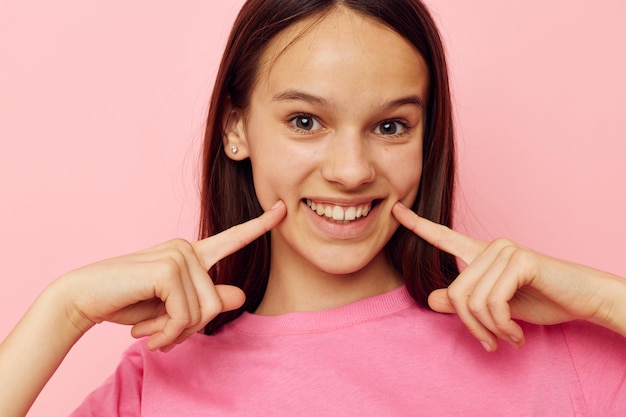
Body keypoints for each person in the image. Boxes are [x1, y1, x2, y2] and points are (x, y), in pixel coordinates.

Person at [1, 0, 625, 415]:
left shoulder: (546, 350)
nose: (351, 171)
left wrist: (600, 300)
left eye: (390, 126)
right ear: (235, 129)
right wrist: (66, 308)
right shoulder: (155, 384)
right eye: (306, 120)